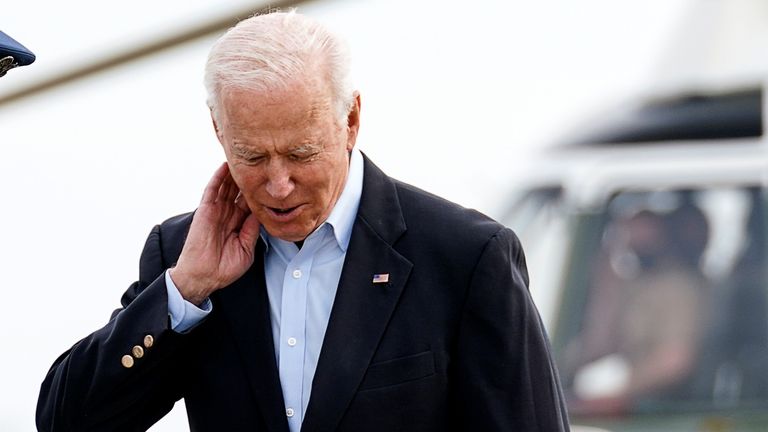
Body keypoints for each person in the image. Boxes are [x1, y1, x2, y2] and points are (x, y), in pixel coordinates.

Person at [37, 11, 569, 432]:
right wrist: (185, 290)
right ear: (218, 132)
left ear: (351, 121)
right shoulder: (180, 254)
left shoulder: (466, 256)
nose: (278, 184)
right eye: (251, 156)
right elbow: (66, 421)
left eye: (300, 152)